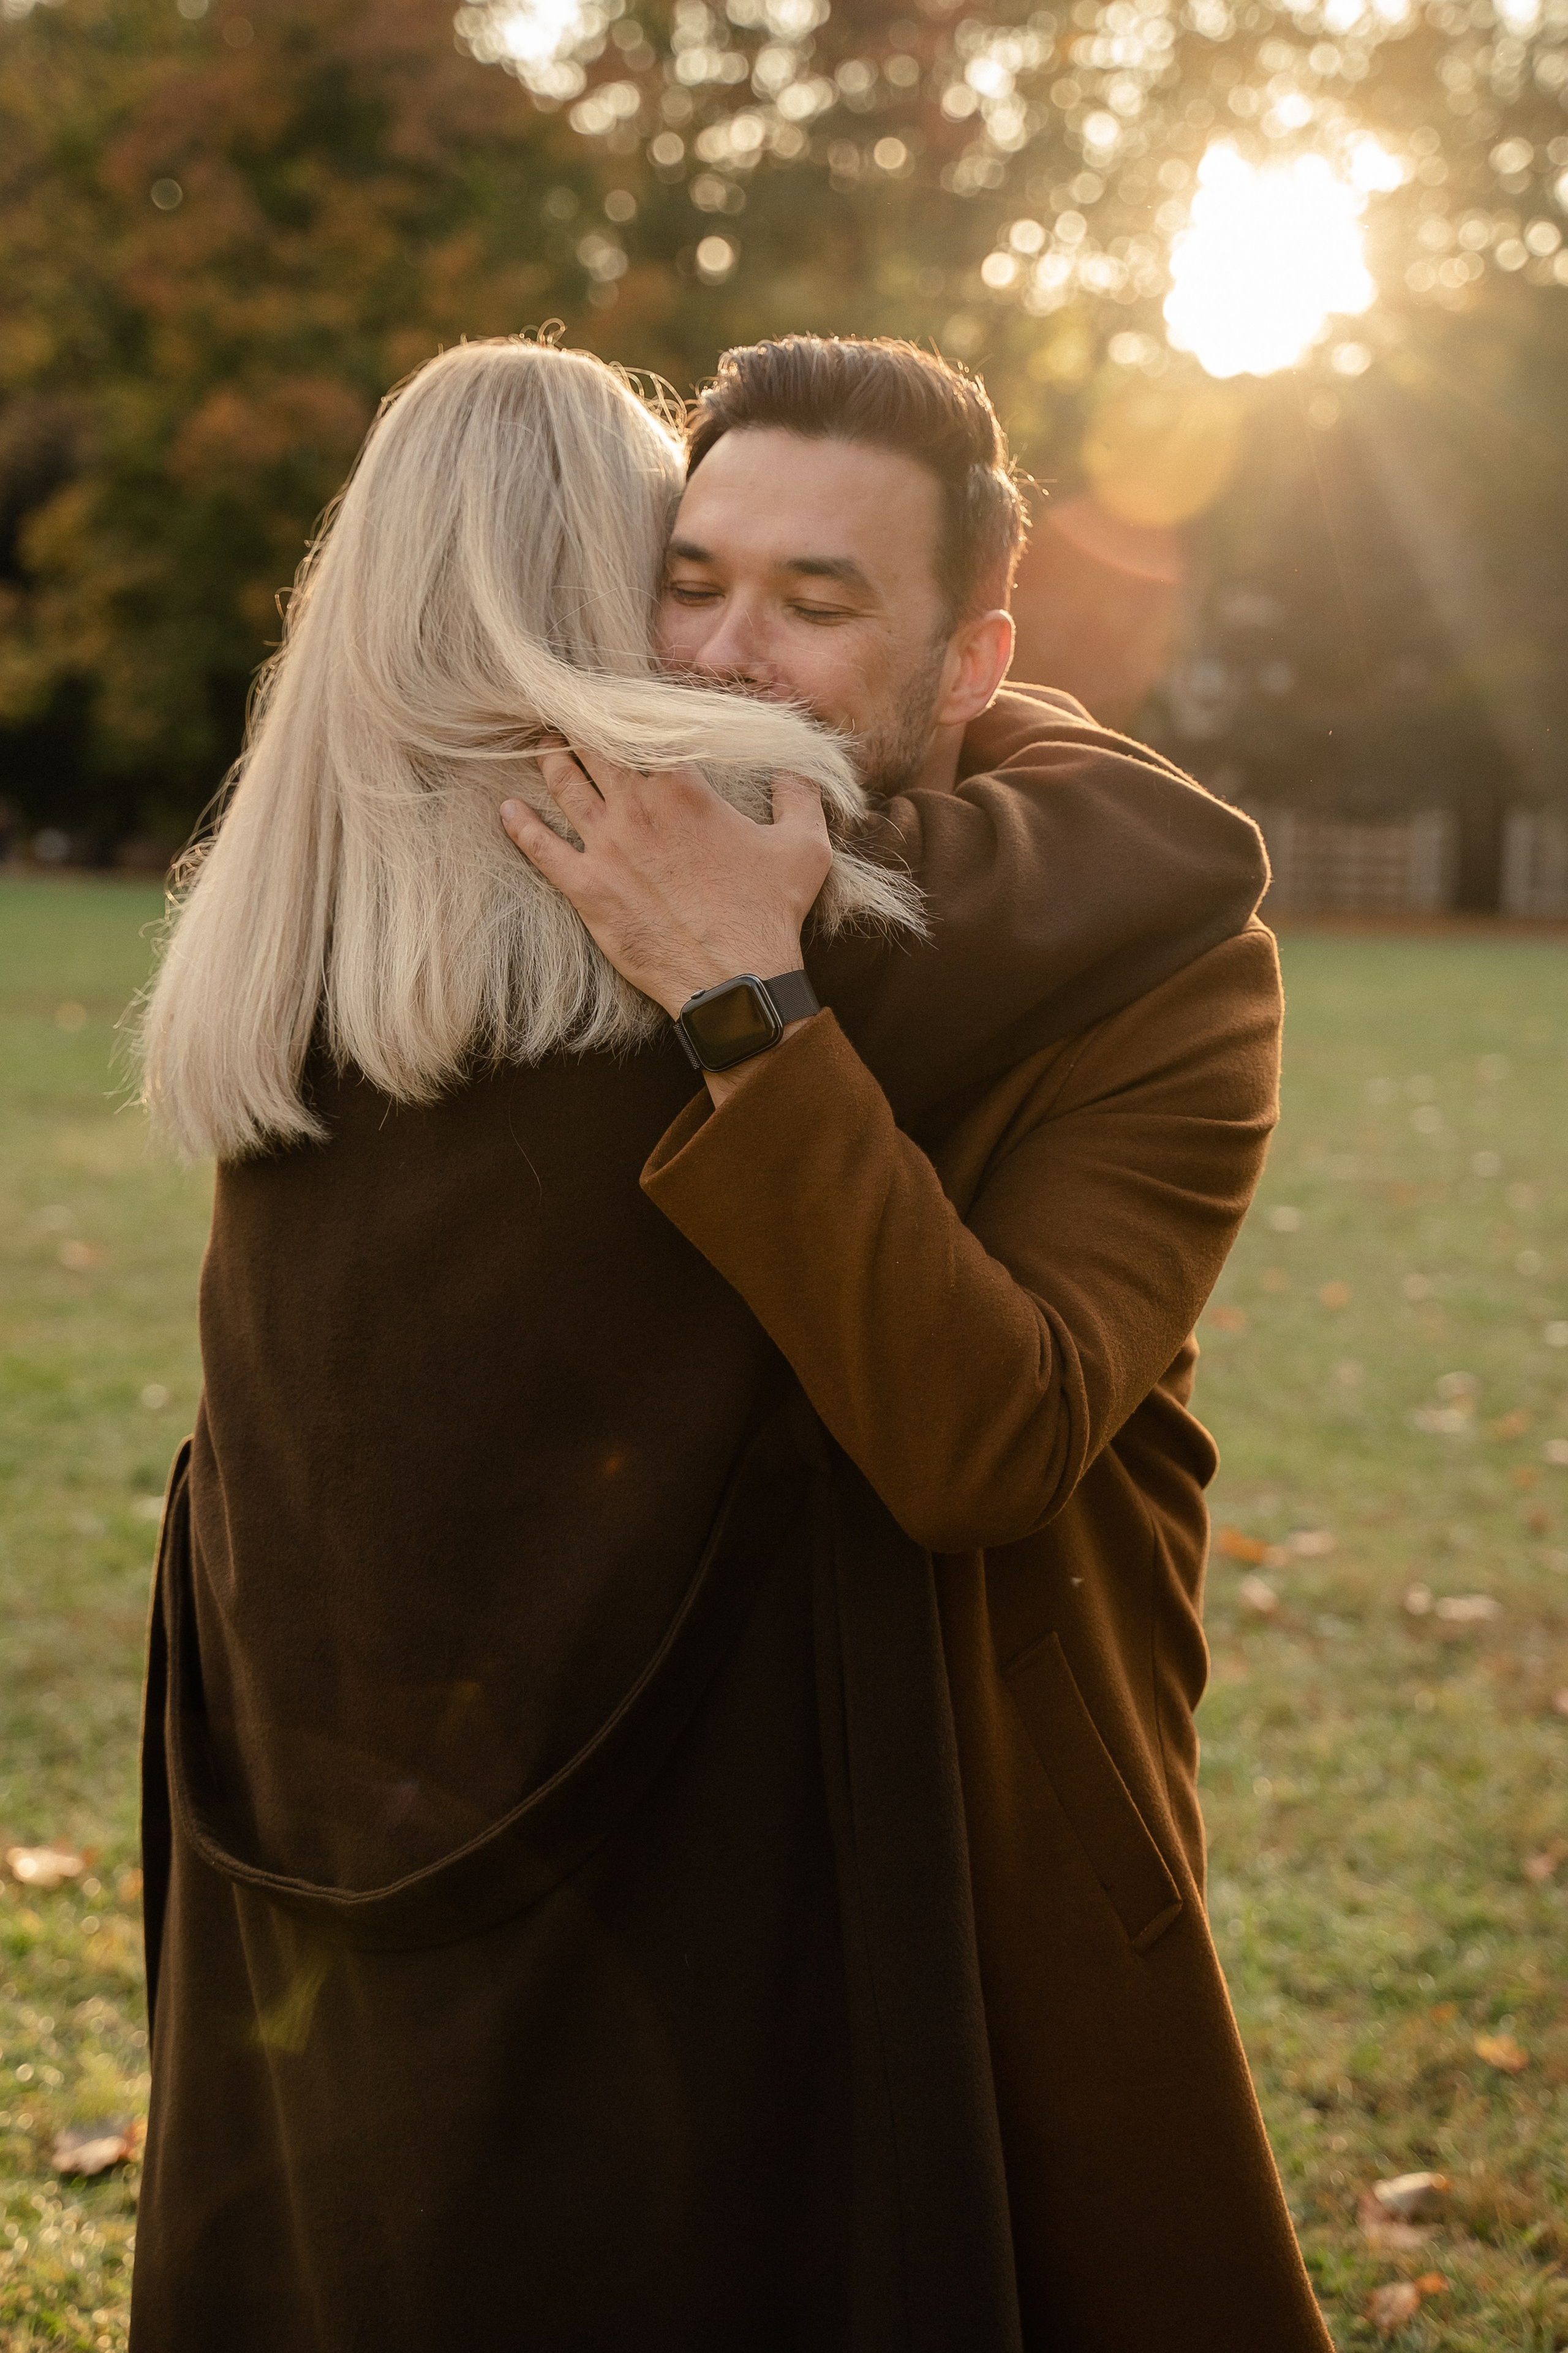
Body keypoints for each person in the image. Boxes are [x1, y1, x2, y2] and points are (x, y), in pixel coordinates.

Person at [129, 331, 1329, 2351]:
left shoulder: (1158, 978)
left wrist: (749, 996)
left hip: (999, 1807)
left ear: (973, 660)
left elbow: (992, 1434)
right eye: (693, 579)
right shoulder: (551, 898)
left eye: (819, 599)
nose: (729, 652)